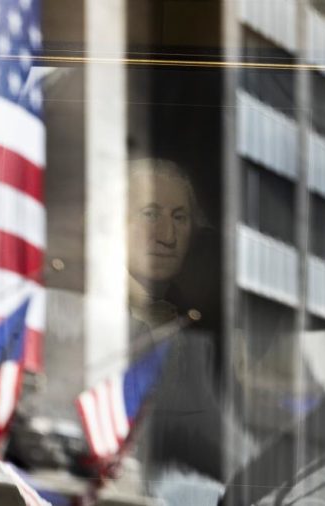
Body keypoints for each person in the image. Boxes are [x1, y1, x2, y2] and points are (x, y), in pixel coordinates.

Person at [118, 159, 230, 504]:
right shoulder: (92, 314)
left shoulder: (198, 331)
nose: (167, 236)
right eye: (150, 214)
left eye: (179, 218)